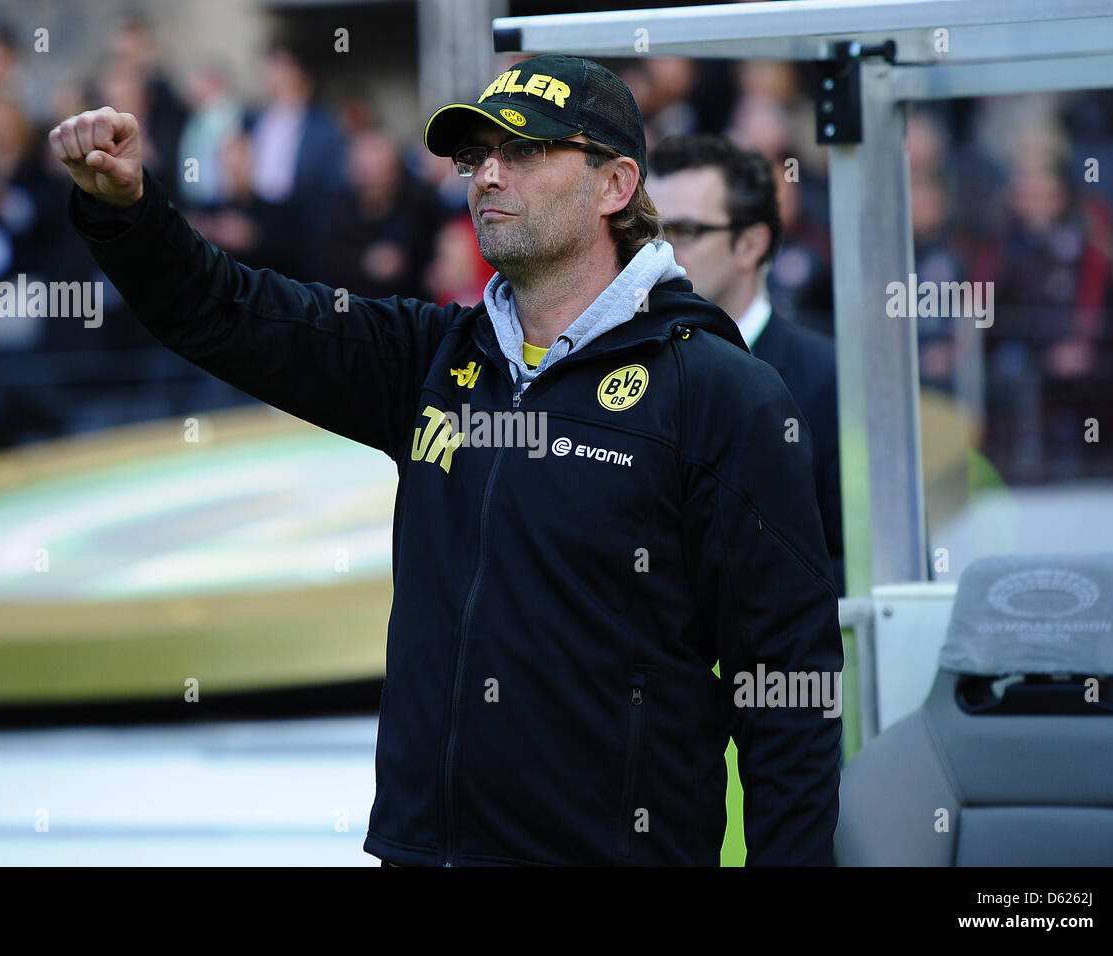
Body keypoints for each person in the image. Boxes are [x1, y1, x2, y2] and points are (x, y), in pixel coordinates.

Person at [50, 53, 842, 867]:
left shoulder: (719, 390)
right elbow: (227, 311)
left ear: (614, 186)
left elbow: (788, 690)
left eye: (526, 152)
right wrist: (128, 210)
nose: (488, 175)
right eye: (477, 156)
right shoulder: (431, 357)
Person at [648, 133, 844, 596]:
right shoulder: (610, 369)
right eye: (648, 231)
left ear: (750, 244)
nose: (657, 252)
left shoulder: (830, 380)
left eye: (686, 232)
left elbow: (867, 562)